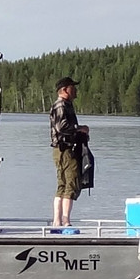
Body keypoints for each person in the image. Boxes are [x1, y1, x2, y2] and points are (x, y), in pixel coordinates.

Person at [49, 76, 90, 228]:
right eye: (73, 87)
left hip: (62, 150)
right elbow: (62, 127)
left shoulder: (66, 104)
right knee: (71, 184)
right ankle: (65, 221)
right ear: (65, 89)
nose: (76, 90)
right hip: (65, 149)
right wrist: (81, 128)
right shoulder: (61, 105)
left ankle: (57, 221)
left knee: (63, 185)